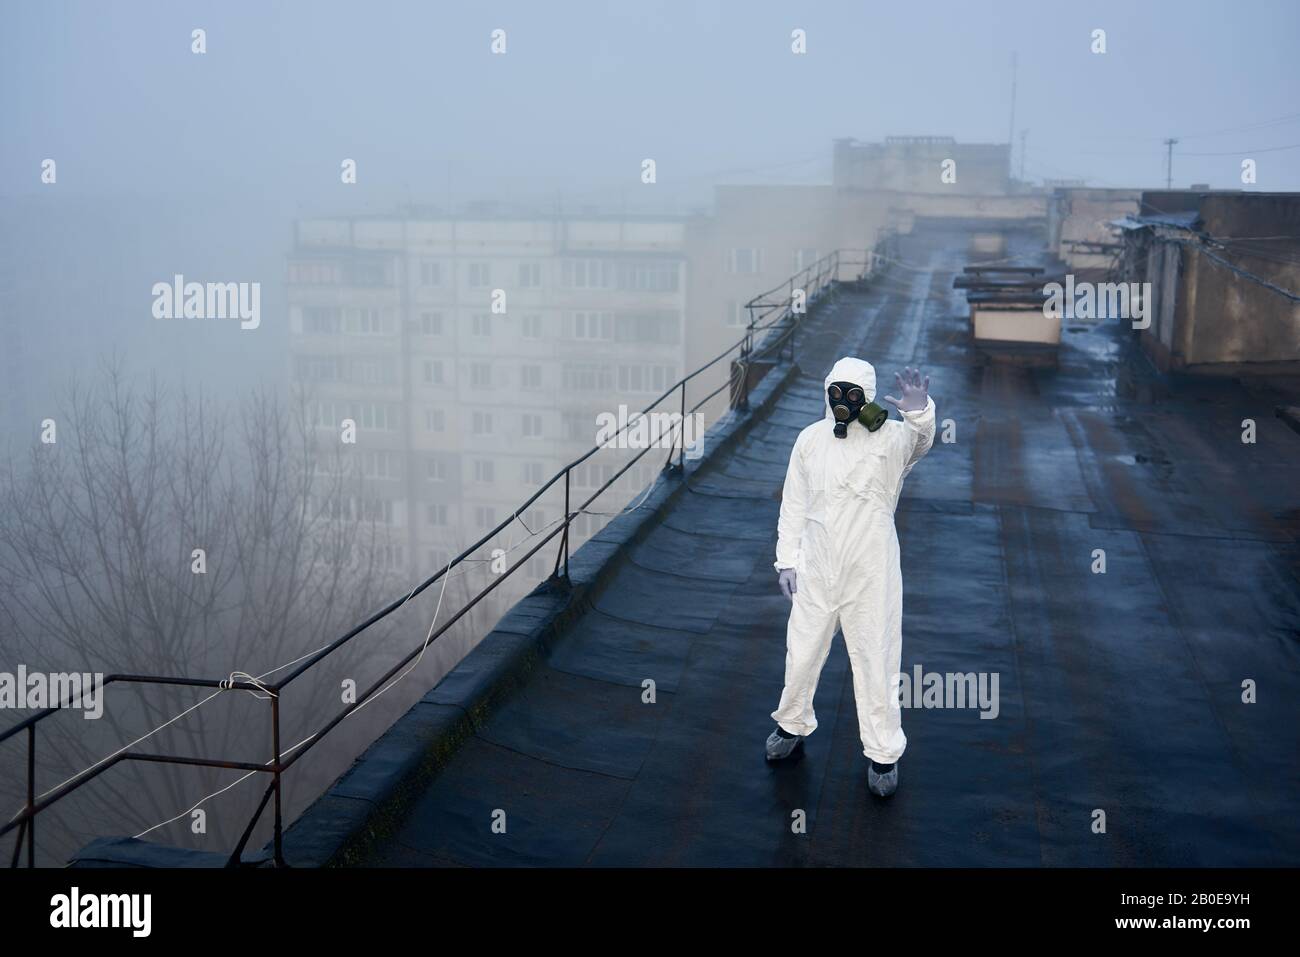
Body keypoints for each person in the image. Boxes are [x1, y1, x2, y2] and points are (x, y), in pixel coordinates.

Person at [765, 356, 935, 799]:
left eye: (853, 394)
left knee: (876, 659)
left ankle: (883, 754)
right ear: (827, 392)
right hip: (817, 570)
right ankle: (791, 725)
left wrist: (919, 412)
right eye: (836, 392)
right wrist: (787, 560)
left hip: (871, 571)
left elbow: (920, 443)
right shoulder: (809, 441)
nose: (843, 401)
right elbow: (794, 504)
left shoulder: (892, 440)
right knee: (801, 653)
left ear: (868, 397)